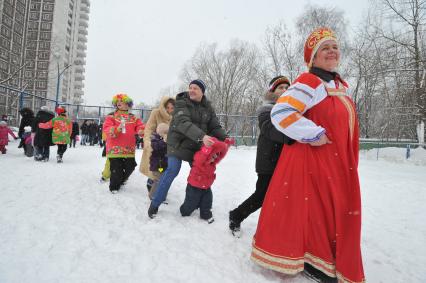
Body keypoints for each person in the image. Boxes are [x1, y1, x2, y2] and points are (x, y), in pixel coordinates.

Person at [250, 27, 365, 283]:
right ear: (312, 57)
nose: (332, 51)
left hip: (337, 164)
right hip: (314, 164)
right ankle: (315, 261)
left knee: (331, 212)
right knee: (315, 213)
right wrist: (313, 133)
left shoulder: (336, 85)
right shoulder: (310, 81)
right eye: (325, 48)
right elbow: (280, 114)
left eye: (335, 47)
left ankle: (327, 259)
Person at [147, 79, 228, 219]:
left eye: (195, 88)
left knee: (201, 173)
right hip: (177, 143)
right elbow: (183, 123)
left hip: (195, 145)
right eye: (190, 87)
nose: (191, 90)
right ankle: (155, 203)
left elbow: (214, 126)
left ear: (202, 91)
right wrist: (202, 136)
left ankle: (194, 204)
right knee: (172, 170)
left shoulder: (208, 108)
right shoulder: (181, 103)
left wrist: (225, 138)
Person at [229, 76, 294, 237]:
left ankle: (277, 228)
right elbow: (270, 130)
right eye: (280, 88)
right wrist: (294, 136)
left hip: (285, 162)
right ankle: (236, 215)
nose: (284, 90)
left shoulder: (293, 110)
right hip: (268, 161)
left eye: (287, 87)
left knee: (284, 197)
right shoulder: (266, 110)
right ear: (272, 91)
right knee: (262, 195)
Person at [180, 137, 233, 223]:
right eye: (214, 154)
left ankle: (205, 214)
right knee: (191, 203)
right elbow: (200, 159)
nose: (215, 157)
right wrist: (207, 149)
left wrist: (226, 146)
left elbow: (221, 154)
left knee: (207, 201)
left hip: (206, 187)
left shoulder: (213, 162)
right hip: (194, 186)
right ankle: (184, 211)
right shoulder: (200, 155)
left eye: (216, 155)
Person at [103, 93, 145, 194]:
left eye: (123, 102)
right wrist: (116, 129)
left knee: (131, 166)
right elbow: (107, 128)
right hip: (114, 147)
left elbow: (140, 126)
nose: (120, 104)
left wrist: (141, 130)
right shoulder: (111, 117)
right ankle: (114, 187)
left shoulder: (134, 118)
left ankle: (121, 180)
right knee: (116, 168)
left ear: (128, 104)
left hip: (129, 148)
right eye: (118, 103)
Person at [139, 96, 175, 197]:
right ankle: (153, 190)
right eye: (167, 107)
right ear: (163, 106)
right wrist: (148, 142)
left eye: (172, 108)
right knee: (155, 168)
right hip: (156, 146)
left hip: (169, 148)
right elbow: (149, 128)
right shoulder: (156, 113)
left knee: (165, 170)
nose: (169, 110)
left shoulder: (177, 117)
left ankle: (159, 192)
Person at [147, 123, 170, 199]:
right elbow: (156, 147)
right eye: (165, 133)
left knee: (164, 180)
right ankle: (153, 195)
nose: (167, 134)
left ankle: (162, 196)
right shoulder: (154, 139)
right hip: (157, 164)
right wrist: (164, 141)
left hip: (164, 164)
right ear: (160, 132)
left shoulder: (166, 140)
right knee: (158, 180)